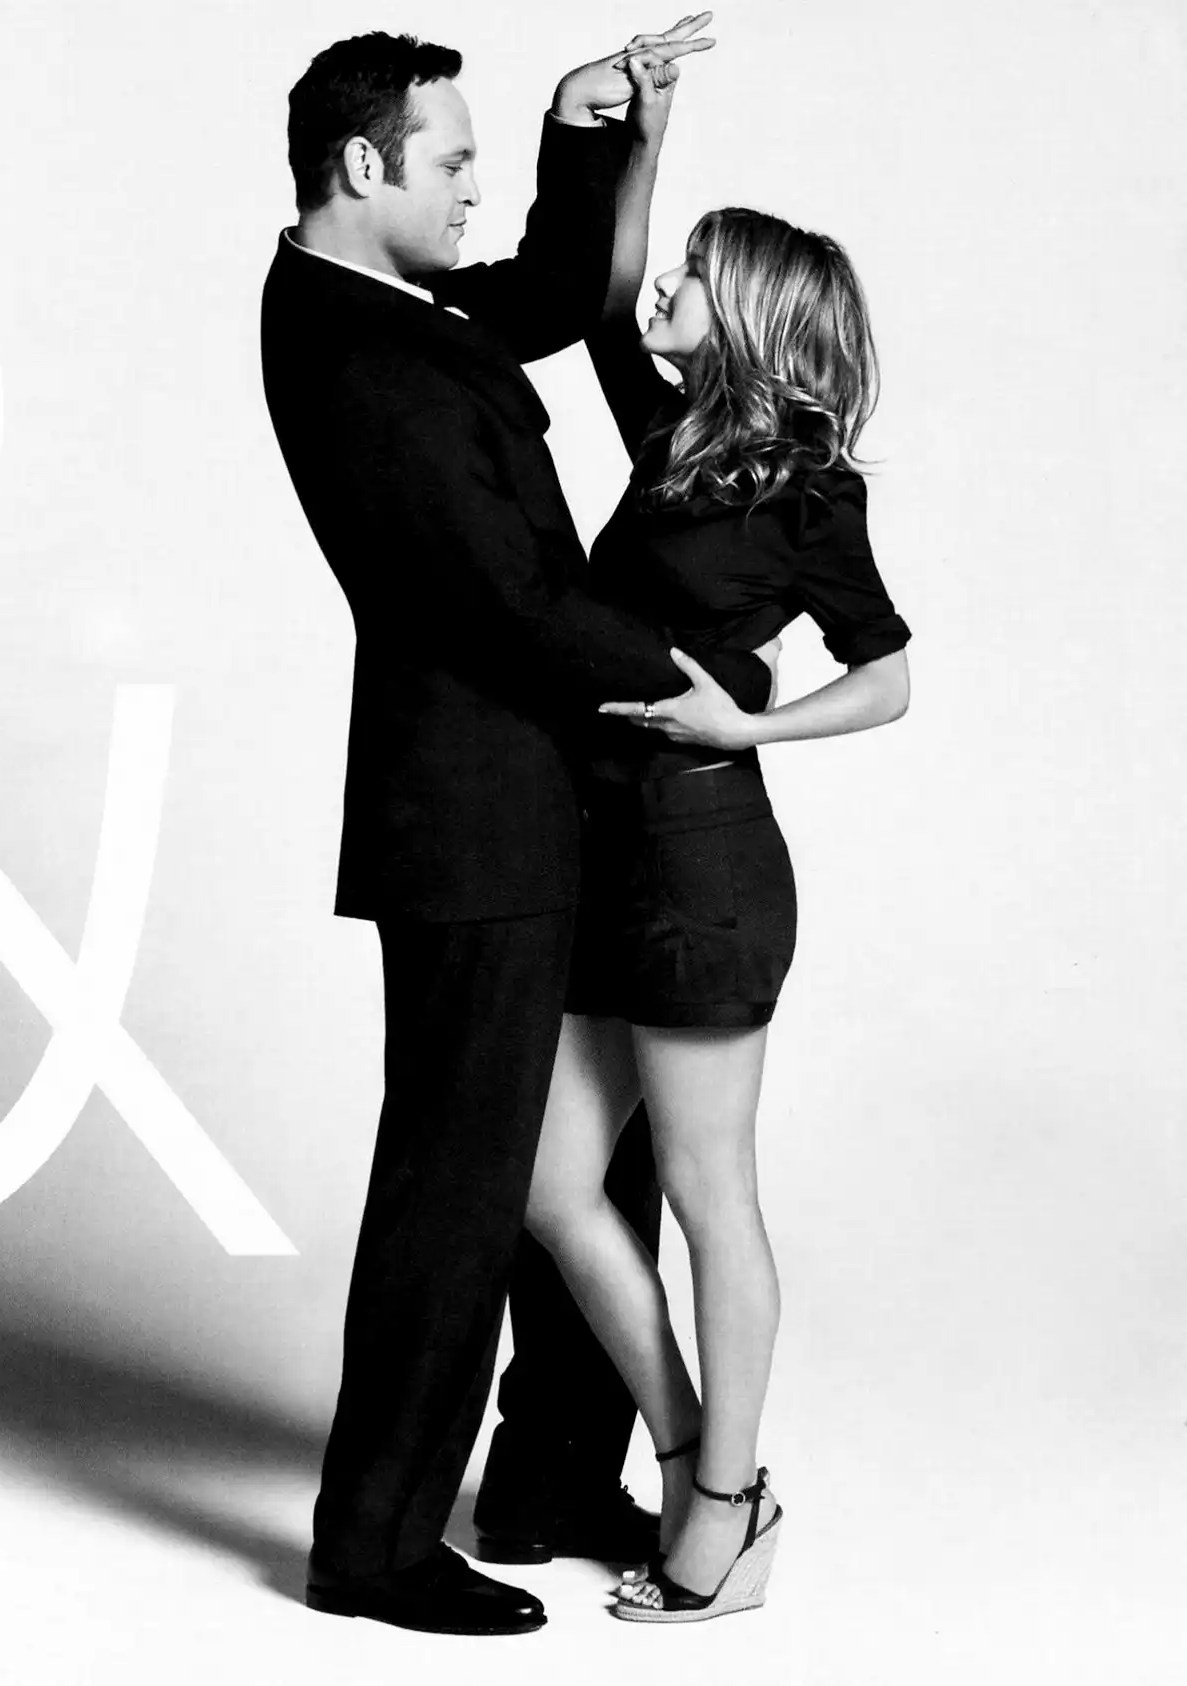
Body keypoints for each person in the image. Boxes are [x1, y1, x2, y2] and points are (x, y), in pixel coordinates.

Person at [259, 21, 779, 1637]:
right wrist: (696, 676)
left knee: (591, 1161)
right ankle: (372, 1539)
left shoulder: (399, 305)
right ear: (365, 166)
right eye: (455, 159)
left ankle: (552, 1478)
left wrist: (583, 129)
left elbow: (559, 288)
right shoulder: (356, 353)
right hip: (468, 824)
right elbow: (507, 596)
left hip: (551, 801)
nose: (472, 186)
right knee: (461, 1181)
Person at [520, 58, 912, 1624]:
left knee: (703, 1189)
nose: (670, 283)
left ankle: (726, 1514)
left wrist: (747, 725)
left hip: (701, 866)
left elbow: (888, 675)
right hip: (604, 850)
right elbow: (611, 295)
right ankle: (700, 1457)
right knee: (553, 1187)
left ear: (744, 315)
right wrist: (650, 135)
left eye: (700, 272)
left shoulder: (810, 491)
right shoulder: (678, 438)